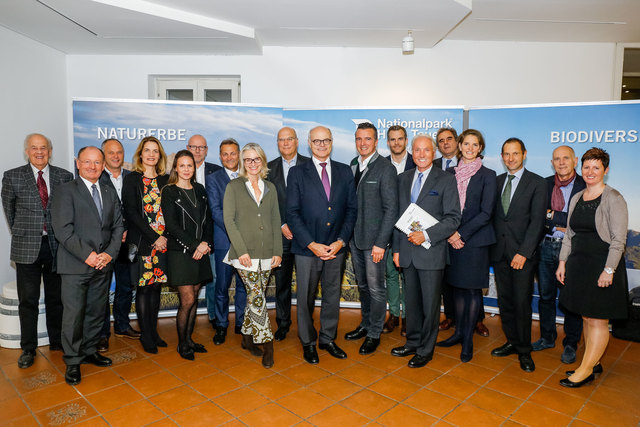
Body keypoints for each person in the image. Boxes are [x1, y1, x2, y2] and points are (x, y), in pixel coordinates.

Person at [51, 146, 124, 385]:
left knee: (95, 311)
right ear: (77, 163)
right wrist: (89, 255)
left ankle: (90, 350)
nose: (93, 167)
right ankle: (72, 360)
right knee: (73, 315)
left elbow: (118, 227)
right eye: (87, 162)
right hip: (75, 265)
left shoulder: (108, 190)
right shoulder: (65, 191)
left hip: (103, 264)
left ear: (103, 165)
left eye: (97, 162)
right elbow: (63, 230)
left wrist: (109, 255)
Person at [556, 148, 628, 388]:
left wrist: (609, 271)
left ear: (605, 171)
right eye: (587, 167)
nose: (590, 171)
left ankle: (586, 370)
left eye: (596, 167)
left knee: (597, 319)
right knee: (586, 316)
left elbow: (618, 240)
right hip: (579, 264)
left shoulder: (614, 198)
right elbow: (569, 235)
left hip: (602, 266)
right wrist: (563, 262)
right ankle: (592, 361)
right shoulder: (577, 197)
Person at [2, 133, 73, 368]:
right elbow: (10, 212)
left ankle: (56, 342)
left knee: (57, 298)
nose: (39, 152)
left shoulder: (65, 176)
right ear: (27, 151)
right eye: (34, 148)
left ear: (50, 151)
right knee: (28, 300)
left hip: (56, 246)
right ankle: (28, 348)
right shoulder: (12, 176)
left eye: (44, 147)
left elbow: (68, 212)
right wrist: (27, 233)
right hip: (26, 247)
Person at [286, 126, 357, 364]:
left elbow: (351, 210)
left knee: (332, 295)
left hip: (336, 248)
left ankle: (327, 339)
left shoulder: (345, 171)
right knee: (305, 297)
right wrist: (311, 244)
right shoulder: (297, 173)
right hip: (307, 249)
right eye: (317, 141)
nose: (322, 145)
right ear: (309, 143)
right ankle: (308, 342)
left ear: (332, 142)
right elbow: (292, 213)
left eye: (326, 140)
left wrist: (340, 241)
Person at [391, 135, 461, 368]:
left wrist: (427, 234)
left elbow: (453, 218)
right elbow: (397, 218)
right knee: (411, 303)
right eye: (417, 150)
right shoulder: (403, 179)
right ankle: (412, 342)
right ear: (412, 152)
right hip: (407, 253)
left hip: (431, 253)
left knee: (430, 305)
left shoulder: (446, 180)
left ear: (434, 153)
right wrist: (397, 250)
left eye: (426, 150)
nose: (421, 154)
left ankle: (425, 349)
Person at [436, 129, 496, 362]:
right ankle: (459, 333)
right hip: (452, 239)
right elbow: (443, 207)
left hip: (475, 241)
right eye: (466, 144)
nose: (470, 148)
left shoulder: (488, 175)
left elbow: (486, 212)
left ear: (480, 148)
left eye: (475, 144)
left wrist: (460, 233)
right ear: (459, 146)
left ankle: (468, 340)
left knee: (471, 291)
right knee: (456, 289)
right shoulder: (449, 173)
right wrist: (451, 233)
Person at [224, 143, 282, 368]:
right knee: (258, 297)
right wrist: (242, 251)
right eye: (247, 159)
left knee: (253, 298)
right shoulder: (234, 187)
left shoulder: (270, 187)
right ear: (242, 162)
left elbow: (275, 219)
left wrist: (277, 251)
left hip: (268, 253)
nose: (252, 163)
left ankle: (247, 338)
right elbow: (229, 221)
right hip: (243, 254)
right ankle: (268, 343)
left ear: (262, 161)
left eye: (256, 159)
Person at [490, 138, 547, 373]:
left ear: (524, 154)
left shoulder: (538, 183)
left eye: (515, 153)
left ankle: (524, 350)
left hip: (522, 255)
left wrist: (523, 253)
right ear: (502, 156)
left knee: (522, 302)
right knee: (505, 301)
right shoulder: (496, 182)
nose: (511, 158)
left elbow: (538, 222)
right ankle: (512, 341)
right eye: (506, 154)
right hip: (499, 253)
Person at [344, 122, 398, 355]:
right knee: (363, 286)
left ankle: (375, 333)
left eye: (367, 139)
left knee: (376, 288)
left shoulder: (386, 168)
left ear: (376, 142)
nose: (363, 143)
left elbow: (391, 209)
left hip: (374, 242)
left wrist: (381, 243)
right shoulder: (353, 165)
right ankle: (365, 324)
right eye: (359, 139)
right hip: (355, 239)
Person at [532, 145, 585, 364]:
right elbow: (537, 215)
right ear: (552, 162)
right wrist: (559, 218)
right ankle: (546, 337)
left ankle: (571, 343)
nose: (561, 162)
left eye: (566, 158)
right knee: (545, 296)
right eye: (557, 159)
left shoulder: (586, 185)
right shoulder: (543, 184)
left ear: (575, 160)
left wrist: (554, 216)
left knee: (571, 299)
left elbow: (579, 220)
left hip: (571, 250)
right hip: (545, 246)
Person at [161, 150, 213, 360]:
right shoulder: (169, 191)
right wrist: (195, 246)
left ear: (194, 168)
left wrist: (206, 243)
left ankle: (190, 340)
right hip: (182, 253)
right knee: (188, 300)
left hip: (201, 251)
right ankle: (183, 344)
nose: (186, 169)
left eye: (189, 165)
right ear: (175, 168)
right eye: (181, 165)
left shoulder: (200, 189)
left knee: (195, 296)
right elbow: (171, 226)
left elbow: (208, 220)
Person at [122, 136, 170, 354]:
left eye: (155, 151)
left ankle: (154, 332)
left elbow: (169, 213)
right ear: (140, 154)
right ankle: (146, 336)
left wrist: (165, 237)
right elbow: (132, 213)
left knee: (156, 288)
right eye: (147, 150)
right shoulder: (132, 179)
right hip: (144, 243)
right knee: (144, 289)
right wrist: (154, 238)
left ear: (160, 155)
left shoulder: (166, 180)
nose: (151, 154)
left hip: (163, 245)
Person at [266, 127, 310, 341]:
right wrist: (282, 223)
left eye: (289, 139)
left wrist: (300, 226)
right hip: (280, 235)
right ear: (277, 143)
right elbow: (266, 203)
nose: (285, 143)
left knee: (306, 284)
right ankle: (283, 323)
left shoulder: (309, 165)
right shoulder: (268, 168)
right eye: (281, 140)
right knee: (282, 283)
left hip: (305, 236)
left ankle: (307, 323)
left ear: (297, 141)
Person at [97, 138, 138, 353]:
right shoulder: (95, 177)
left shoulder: (132, 178)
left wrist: (128, 230)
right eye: (111, 152)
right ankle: (102, 334)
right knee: (102, 289)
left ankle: (122, 325)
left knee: (125, 286)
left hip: (126, 243)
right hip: (104, 244)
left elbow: (137, 210)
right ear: (104, 155)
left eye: (119, 152)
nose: (116, 156)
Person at [205, 139, 247, 345]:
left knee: (242, 285)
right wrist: (236, 231)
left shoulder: (249, 175)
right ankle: (221, 325)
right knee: (221, 286)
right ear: (220, 156)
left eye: (232, 153)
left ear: (238, 154)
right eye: (225, 154)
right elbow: (215, 211)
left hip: (247, 243)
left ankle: (240, 323)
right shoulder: (213, 180)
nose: (229, 157)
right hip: (224, 241)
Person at [186, 134, 221, 331]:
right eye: (193, 147)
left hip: (212, 235)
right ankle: (188, 315)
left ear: (207, 150)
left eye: (201, 147)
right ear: (187, 148)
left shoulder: (216, 171)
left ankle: (213, 314)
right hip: (187, 238)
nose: (197, 151)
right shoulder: (178, 172)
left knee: (213, 278)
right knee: (190, 279)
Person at [383, 125, 415, 336]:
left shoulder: (417, 162)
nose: (396, 143)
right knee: (391, 274)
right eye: (392, 139)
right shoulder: (381, 164)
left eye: (400, 139)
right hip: (387, 229)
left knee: (408, 277)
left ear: (406, 140)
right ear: (388, 142)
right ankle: (393, 314)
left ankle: (408, 317)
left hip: (412, 230)